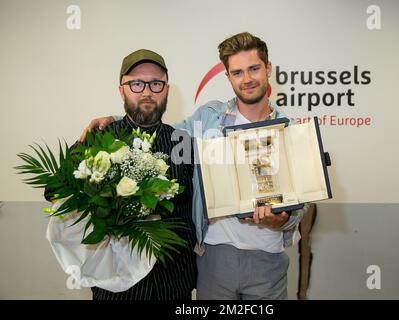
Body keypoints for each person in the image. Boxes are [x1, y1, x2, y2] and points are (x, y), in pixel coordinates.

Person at [80, 33, 308, 300]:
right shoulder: (208, 118)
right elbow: (165, 131)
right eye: (237, 72)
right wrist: (116, 119)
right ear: (228, 77)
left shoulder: (290, 132)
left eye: (254, 69)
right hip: (214, 256)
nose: (246, 79)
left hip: (268, 260)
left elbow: (300, 202)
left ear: (268, 69)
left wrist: (281, 219)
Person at [87, 49, 197, 300]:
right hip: (116, 287)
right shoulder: (99, 138)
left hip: (173, 282)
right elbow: (56, 191)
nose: (147, 92)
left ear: (167, 89)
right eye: (136, 83)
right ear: (121, 90)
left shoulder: (185, 142)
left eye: (156, 83)